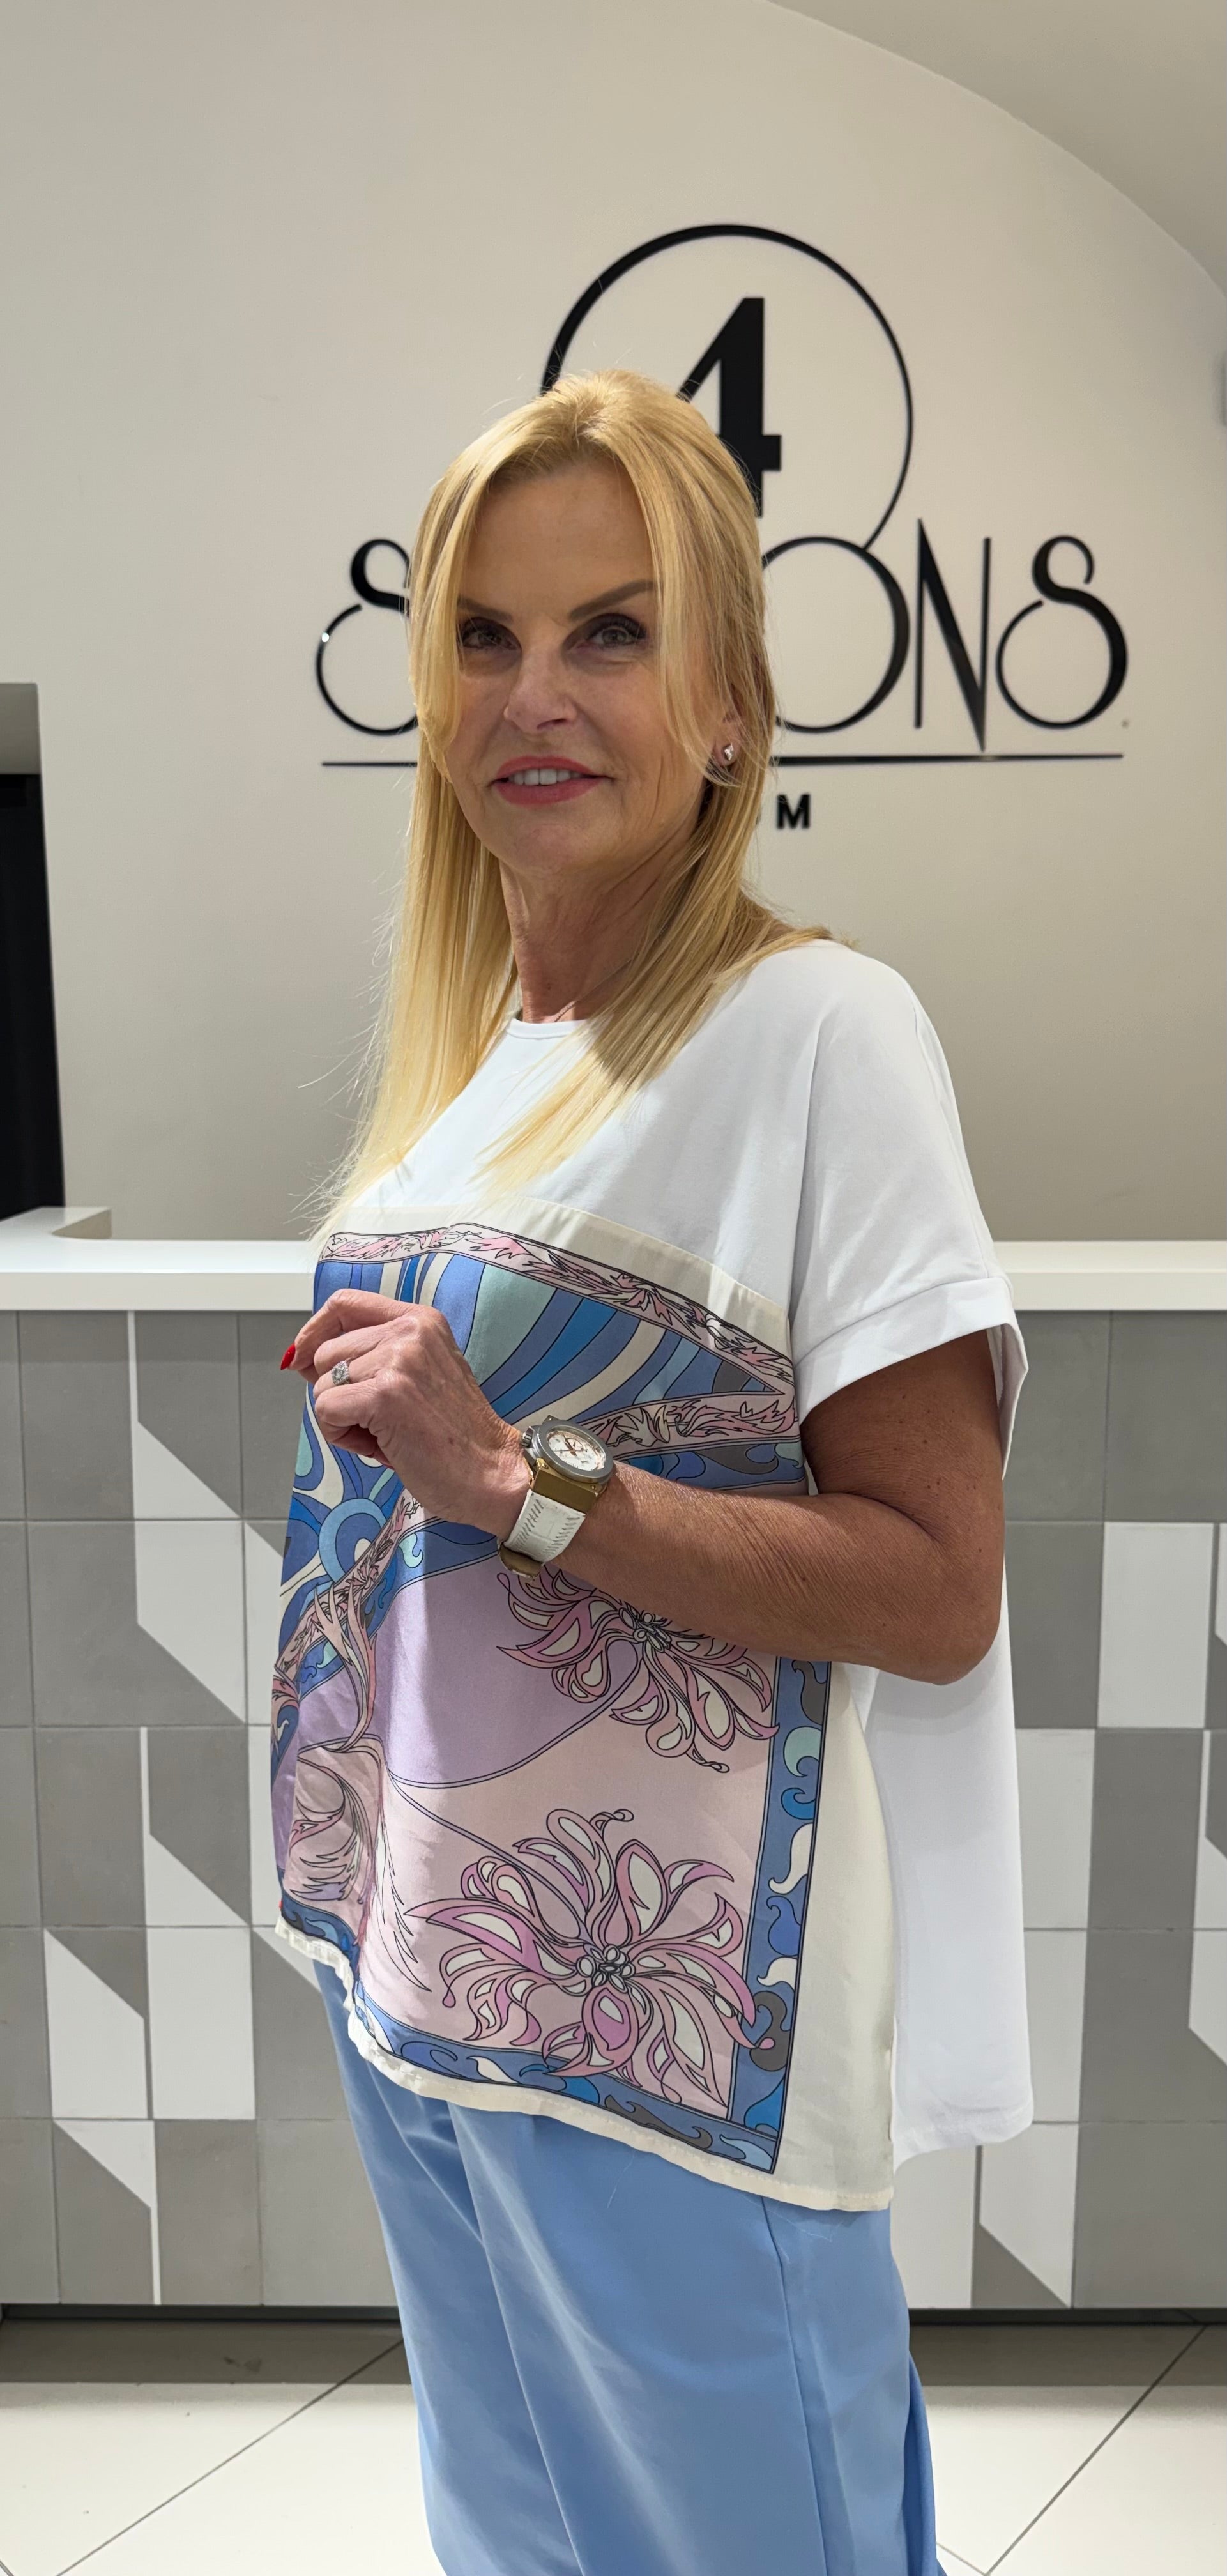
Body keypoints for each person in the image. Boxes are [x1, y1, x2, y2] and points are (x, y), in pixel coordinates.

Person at [275, 369, 1030, 2576]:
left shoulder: (817, 1034)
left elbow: (932, 1584)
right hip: (427, 1983)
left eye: (611, 632)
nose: (537, 693)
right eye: (485, 638)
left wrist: (512, 1474)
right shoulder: (482, 1062)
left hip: (674, 2039)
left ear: (726, 707)